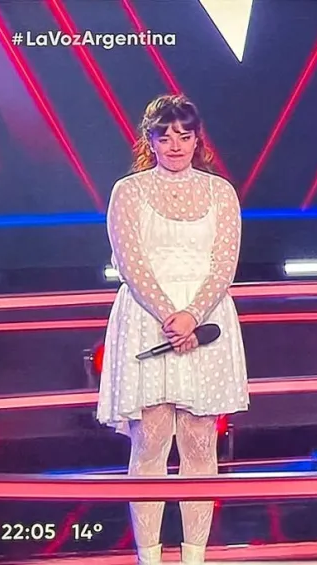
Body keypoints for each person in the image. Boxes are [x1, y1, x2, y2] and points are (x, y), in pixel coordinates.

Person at [95, 94, 249, 565]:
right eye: (166, 137)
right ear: (151, 141)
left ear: (197, 140)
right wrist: (170, 316)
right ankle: (150, 558)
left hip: (206, 322)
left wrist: (193, 315)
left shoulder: (221, 192)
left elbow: (224, 264)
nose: (176, 145)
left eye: (184, 136)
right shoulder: (128, 191)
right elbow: (131, 263)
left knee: (201, 444)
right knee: (151, 444)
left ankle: (194, 557)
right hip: (147, 321)